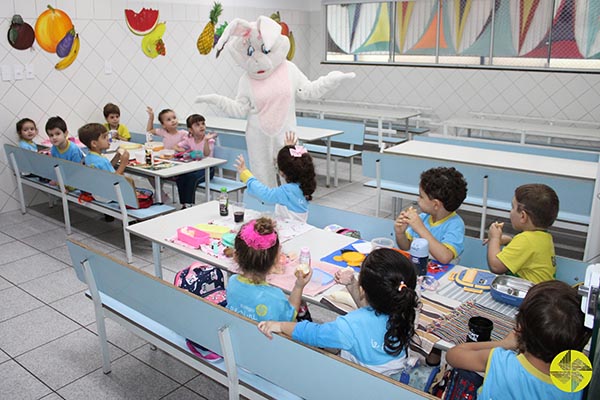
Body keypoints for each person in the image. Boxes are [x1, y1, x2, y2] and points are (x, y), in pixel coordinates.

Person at [258, 248, 420, 377]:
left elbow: (313, 334)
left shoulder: (351, 325)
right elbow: (372, 311)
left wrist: (279, 325)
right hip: (390, 382)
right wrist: (352, 285)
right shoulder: (405, 306)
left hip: (358, 384)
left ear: (363, 290)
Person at [446, 280, 591, 399]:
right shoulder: (580, 377)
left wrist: (504, 344)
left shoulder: (500, 361)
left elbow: (453, 355)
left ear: (519, 328)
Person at [226, 217, 312, 322]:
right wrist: (299, 287)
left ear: (235, 256)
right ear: (276, 260)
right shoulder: (274, 297)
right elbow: (290, 315)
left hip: (237, 335)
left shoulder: (232, 282)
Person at [235, 132, 316, 222]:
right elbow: (293, 164)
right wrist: (288, 149)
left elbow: (265, 194)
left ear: (282, 172)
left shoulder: (287, 191)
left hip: (289, 230)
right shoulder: (302, 184)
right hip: (299, 227)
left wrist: (246, 175)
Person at [486, 184, 559, 284]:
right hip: (542, 294)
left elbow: (496, 266)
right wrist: (509, 241)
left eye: (512, 207)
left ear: (523, 216)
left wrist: (494, 238)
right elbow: (527, 255)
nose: (510, 211)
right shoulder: (544, 237)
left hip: (529, 296)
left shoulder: (526, 240)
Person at [395, 167, 467, 264]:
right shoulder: (423, 217)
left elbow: (445, 257)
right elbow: (405, 246)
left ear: (435, 204)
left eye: (421, 196)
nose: (418, 199)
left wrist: (420, 228)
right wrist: (400, 233)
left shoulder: (455, 224)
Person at [173, 114, 218, 208]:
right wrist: (183, 150)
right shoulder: (189, 139)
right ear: (190, 130)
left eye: (203, 124)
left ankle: (190, 204)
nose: (201, 126)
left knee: (192, 178)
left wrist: (205, 141)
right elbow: (176, 146)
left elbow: (206, 154)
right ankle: (184, 203)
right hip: (195, 167)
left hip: (208, 169)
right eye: (197, 125)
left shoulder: (209, 140)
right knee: (180, 176)